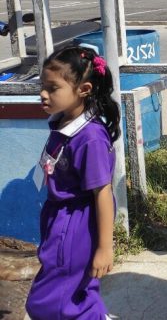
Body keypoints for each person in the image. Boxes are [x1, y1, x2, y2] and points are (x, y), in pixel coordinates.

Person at [26, 46, 120, 320]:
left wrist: (105, 247)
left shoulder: (90, 138)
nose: (43, 94)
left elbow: (103, 193)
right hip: (59, 218)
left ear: (84, 89)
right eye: (42, 86)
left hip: (76, 225)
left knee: (50, 302)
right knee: (73, 293)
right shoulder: (63, 123)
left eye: (53, 88)